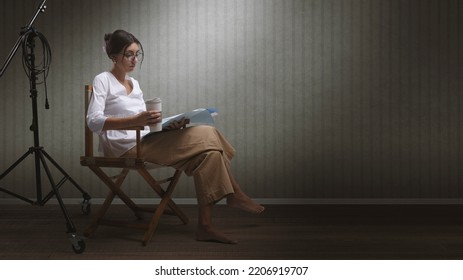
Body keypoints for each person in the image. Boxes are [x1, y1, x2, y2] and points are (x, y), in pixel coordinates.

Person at [87, 29, 264, 244]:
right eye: (129, 54)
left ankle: (205, 227)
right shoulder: (103, 80)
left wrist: (167, 126)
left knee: (210, 156)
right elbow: (93, 120)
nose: (134, 60)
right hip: (124, 147)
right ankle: (235, 193)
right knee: (208, 133)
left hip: (146, 141)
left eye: (137, 54)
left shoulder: (135, 84)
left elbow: (145, 124)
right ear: (114, 56)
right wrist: (136, 121)